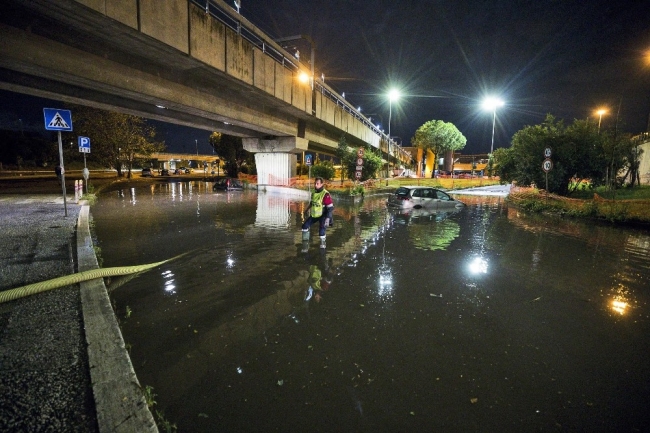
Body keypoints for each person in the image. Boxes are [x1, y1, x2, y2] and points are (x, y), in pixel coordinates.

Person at [302, 177, 334, 248]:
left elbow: (330, 208)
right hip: (314, 215)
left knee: (321, 232)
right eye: (315, 183)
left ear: (322, 184)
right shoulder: (313, 192)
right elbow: (312, 202)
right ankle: (305, 243)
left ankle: (323, 245)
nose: (315, 185)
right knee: (304, 226)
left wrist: (328, 218)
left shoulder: (325, 194)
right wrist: (306, 209)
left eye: (317, 183)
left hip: (323, 215)